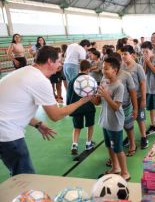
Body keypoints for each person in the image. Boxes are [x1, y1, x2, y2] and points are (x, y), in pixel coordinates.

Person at [0, 46, 92, 177]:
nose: (60, 65)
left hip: (3, 127)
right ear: (50, 61)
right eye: (59, 61)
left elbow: (12, 109)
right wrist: (82, 101)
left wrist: (38, 124)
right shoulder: (39, 80)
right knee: (24, 177)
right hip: (6, 134)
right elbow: (56, 115)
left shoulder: (25, 72)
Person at [92, 57, 130, 180]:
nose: (103, 71)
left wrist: (106, 96)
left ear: (115, 70)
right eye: (103, 68)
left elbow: (116, 107)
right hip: (105, 120)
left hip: (115, 123)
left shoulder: (119, 86)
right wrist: (90, 96)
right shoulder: (103, 81)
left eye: (106, 69)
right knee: (109, 146)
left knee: (118, 149)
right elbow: (97, 102)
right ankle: (115, 167)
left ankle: (125, 173)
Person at [121, 45, 148, 149]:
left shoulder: (138, 67)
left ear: (132, 55)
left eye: (125, 54)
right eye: (122, 54)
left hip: (138, 96)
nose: (123, 56)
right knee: (127, 119)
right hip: (127, 98)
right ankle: (129, 137)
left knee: (140, 119)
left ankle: (143, 137)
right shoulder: (122, 67)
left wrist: (144, 99)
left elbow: (142, 83)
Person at [66, 60, 96, 155]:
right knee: (90, 125)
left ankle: (74, 144)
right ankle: (88, 143)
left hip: (76, 107)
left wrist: (69, 107)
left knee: (77, 127)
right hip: (89, 107)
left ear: (79, 68)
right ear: (88, 69)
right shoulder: (90, 80)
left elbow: (68, 95)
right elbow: (94, 94)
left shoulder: (72, 81)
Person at [141, 41, 155, 137]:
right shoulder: (144, 59)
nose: (145, 53)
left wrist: (148, 62)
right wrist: (146, 62)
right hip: (148, 88)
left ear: (151, 50)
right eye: (143, 52)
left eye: (146, 51)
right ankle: (153, 125)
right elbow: (144, 72)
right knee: (151, 108)